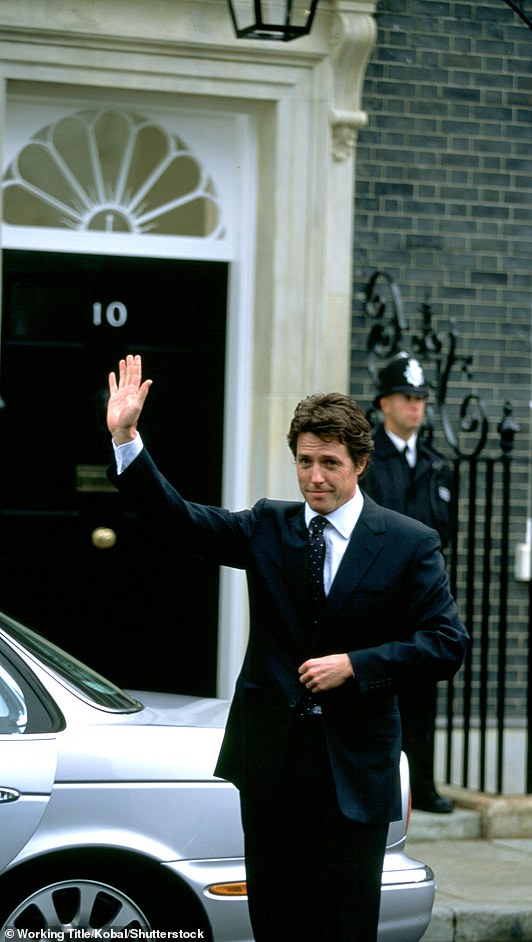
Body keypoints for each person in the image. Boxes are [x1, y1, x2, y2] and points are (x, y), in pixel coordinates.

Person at [106, 354, 467, 942]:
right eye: (304, 461)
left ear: (361, 464)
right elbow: (178, 520)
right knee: (275, 925)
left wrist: (356, 665)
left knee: (344, 930)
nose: (314, 477)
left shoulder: (408, 542)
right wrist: (127, 440)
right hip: (271, 769)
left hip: (354, 773)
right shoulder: (267, 526)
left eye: (330, 463)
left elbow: (446, 644)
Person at [362, 351, 455, 814]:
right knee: (379, 693)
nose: (415, 405)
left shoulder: (437, 465)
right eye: (406, 397)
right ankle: (382, 787)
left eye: (420, 397)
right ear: (384, 403)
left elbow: (445, 534)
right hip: (378, 597)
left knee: (422, 693)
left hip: (420, 600)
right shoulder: (369, 461)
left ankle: (422, 785)